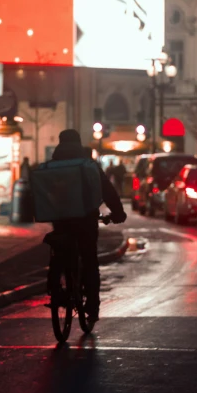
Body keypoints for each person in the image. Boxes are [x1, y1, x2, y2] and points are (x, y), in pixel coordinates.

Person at [49, 129, 126, 324]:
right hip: (85, 221)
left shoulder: (51, 166)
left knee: (60, 251)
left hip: (61, 220)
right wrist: (117, 212)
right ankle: (92, 306)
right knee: (90, 260)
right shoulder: (88, 165)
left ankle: (56, 286)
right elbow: (106, 189)